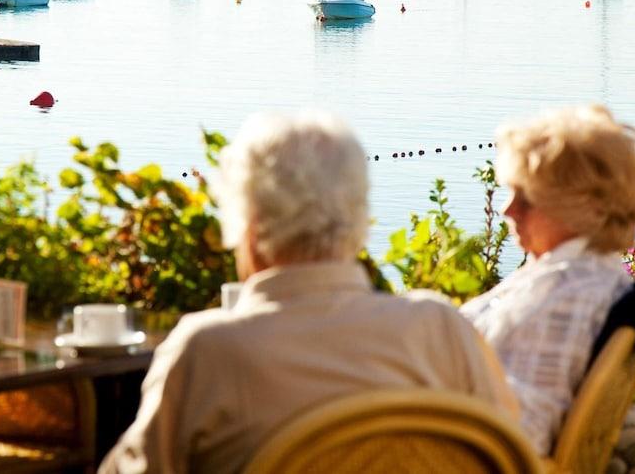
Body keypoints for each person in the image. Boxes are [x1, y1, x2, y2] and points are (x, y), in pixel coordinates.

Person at [100, 112, 518, 474]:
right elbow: (512, 450)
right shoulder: (440, 328)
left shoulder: (208, 351)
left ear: (250, 226)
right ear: (358, 219)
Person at [461, 104, 635, 455]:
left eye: (526, 198)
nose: (507, 210)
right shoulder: (575, 277)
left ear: (581, 209)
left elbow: (526, 432)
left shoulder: (570, 293)